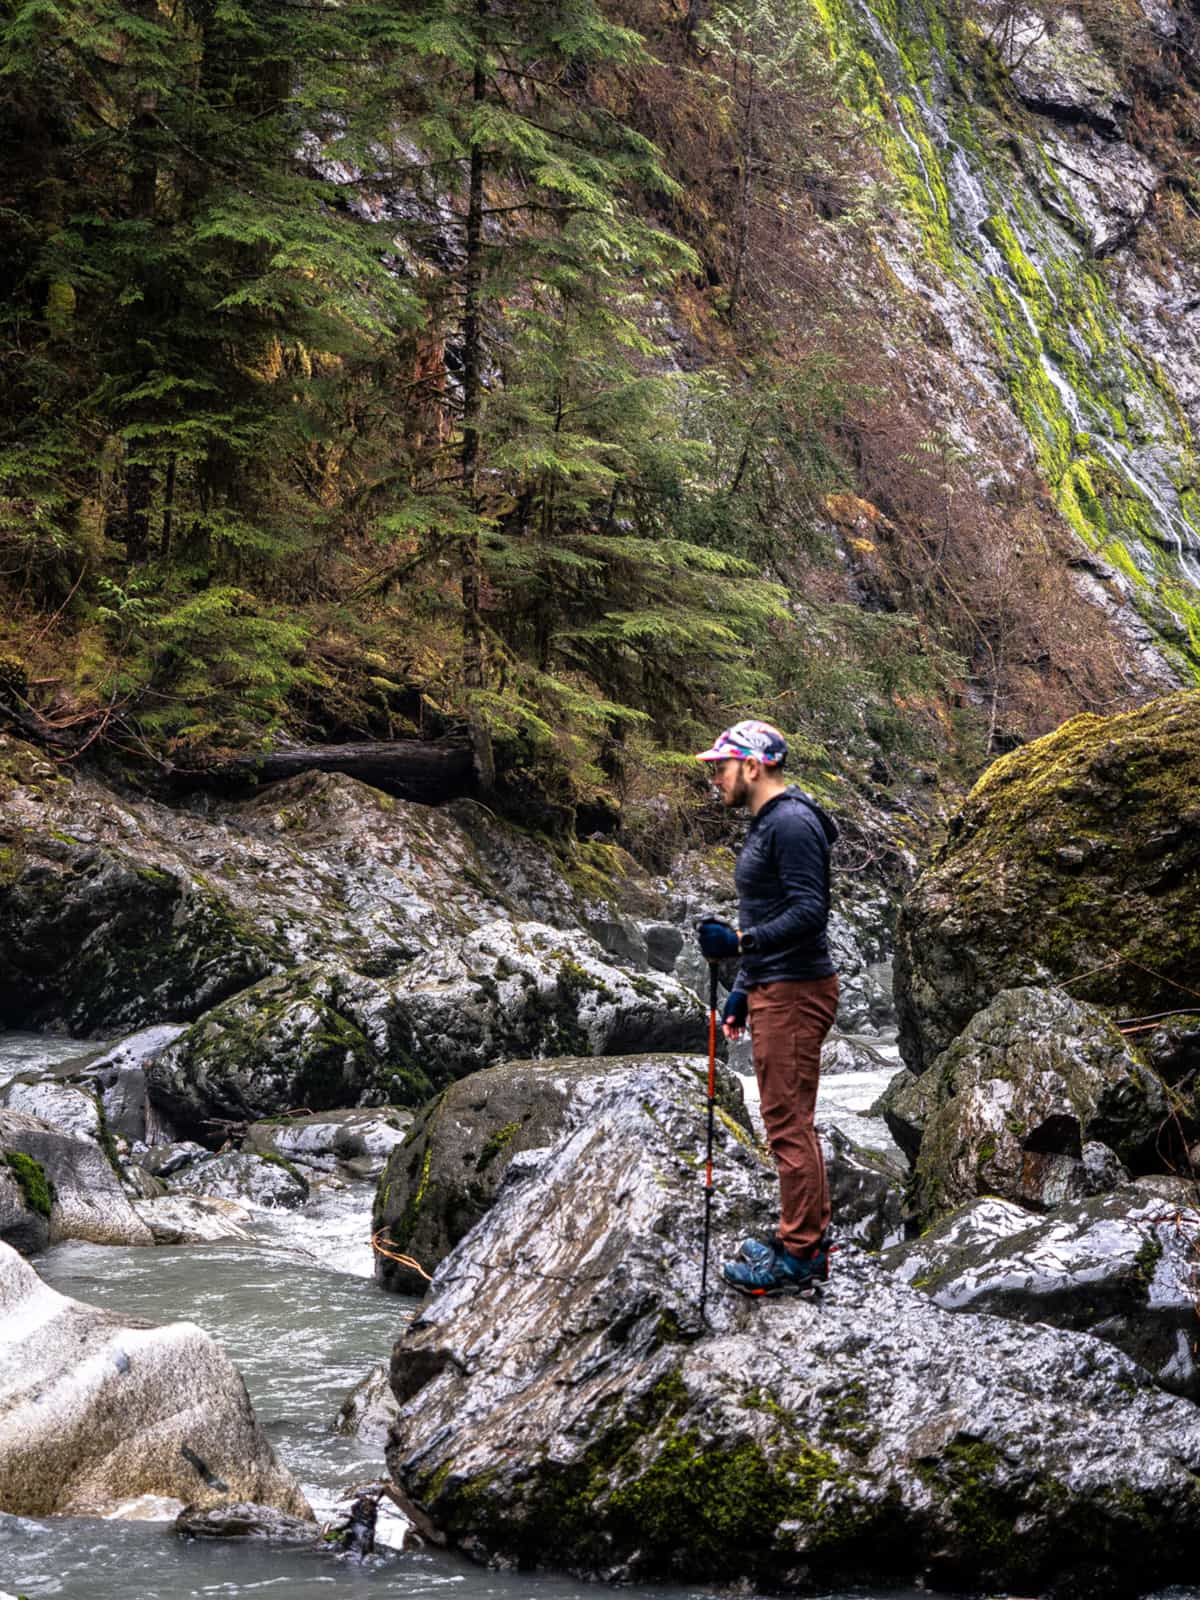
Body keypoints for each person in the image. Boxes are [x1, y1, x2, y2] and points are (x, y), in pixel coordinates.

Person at [694, 719, 840, 1297]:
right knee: (790, 1120)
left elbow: (810, 912)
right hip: (773, 987)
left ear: (753, 767)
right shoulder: (767, 824)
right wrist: (741, 989)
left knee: (786, 1124)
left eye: (721, 768)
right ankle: (803, 1236)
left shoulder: (793, 825)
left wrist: (740, 946)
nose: (715, 779)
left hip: (797, 992)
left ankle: (801, 1256)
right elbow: (766, 914)